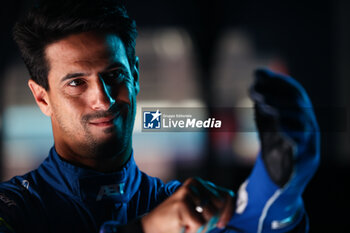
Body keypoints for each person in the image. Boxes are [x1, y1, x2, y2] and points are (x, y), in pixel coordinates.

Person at [0, 1, 319, 232]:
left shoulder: (179, 207)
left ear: (135, 76)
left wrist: (278, 184)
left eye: (114, 75)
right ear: (43, 97)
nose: (102, 99)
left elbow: (258, 222)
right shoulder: (14, 209)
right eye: (76, 83)